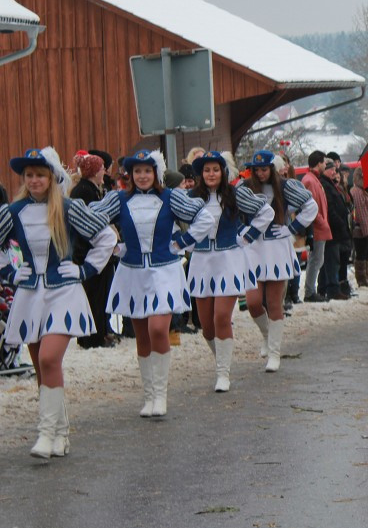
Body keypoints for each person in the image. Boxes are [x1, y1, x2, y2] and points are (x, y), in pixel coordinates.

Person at [1, 147, 116, 458]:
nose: (35, 180)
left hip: (64, 292)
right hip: (29, 295)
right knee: (42, 366)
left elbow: (106, 237)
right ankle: (60, 433)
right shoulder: (12, 212)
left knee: (50, 359)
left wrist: (85, 269)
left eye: (40, 174)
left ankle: (45, 432)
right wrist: (10, 272)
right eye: (29, 175)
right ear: (23, 178)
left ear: (51, 177)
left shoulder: (68, 208)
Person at [91, 150, 214, 416]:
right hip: (132, 273)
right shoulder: (119, 200)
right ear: (130, 175)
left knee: (159, 329)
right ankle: (149, 396)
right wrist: (113, 245)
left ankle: (161, 395)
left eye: (147, 171)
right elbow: (89, 220)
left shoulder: (170, 197)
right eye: (138, 171)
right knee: (142, 335)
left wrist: (183, 242)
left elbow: (204, 217)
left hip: (165, 271)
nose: (143, 176)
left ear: (155, 173)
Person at [187, 151, 273, 392]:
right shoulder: (191, 198)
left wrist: (248, 236)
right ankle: (221, 360)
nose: (211, 174)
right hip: (202, 262)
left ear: (223, 172)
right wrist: (183, 241)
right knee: (206, 326)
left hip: (229, 260)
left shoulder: (235, 194)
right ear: (200, 174)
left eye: (215, 169)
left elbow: (266, 212)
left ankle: (223, 373)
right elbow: (171, 219)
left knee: (222, 317)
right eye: (206, 170)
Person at [241, 151, 317, 372]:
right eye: (257, 170)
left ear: (272, 169)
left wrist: (291, 230)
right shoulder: (244, 187)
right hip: (253, 249)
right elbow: (233, 212)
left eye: (265, 169)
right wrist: (242, 231)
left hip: (276, 248)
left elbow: (310, 207)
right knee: (253, 302)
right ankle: (267, 335)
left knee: (274, 303)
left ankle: (274, 353)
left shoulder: (285, 186)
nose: (261, 173)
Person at [69, 151, 117, 349]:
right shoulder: (83, 191)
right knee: (93, 296)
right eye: (100, 169)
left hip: (96, 250)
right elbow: (89, 225)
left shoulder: (93, 188)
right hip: (88, 251)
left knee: (101, 294)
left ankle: (101, 332)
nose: (103, 172)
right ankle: (92, 337)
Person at [301, 151, 332, 303]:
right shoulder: (310, 181)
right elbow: (311, 207)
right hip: (317, 227)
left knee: (318, 260)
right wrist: (322, 222)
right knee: (315, 260)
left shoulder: (313, 179)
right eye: (324, 162)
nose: (325, 165)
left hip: (319, 226)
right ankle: (309, 292)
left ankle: (311, 290)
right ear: (319, 163)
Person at [317, 160, 351, 300]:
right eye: (330, 169)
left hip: (336, 228)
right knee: (332, 260)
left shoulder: (330, 184)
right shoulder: (325, 184)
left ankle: (325, 288)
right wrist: (340, 222)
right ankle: (331, 289)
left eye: (334, 170)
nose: (333, 172)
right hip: (332, 228)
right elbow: (330, 207)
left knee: (330, 260)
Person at [349, 165, 368, 287]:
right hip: (361, 229)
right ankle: (361, 278)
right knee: (361, 254)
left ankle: (366, 276)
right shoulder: (356, 192)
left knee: (367, 254)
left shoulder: (364, 191)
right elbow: (361, 213)